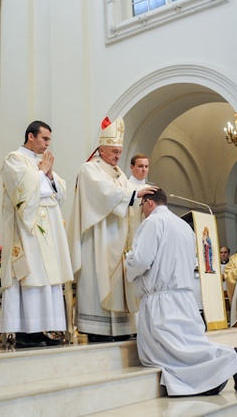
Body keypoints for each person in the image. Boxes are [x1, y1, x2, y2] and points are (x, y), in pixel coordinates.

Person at [125, 188, 237, 396]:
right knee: (188, 344)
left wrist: (127, 261)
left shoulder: (152, 223)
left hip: (161, 298)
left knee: (167, 352)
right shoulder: (184, 226)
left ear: (148, 203)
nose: (142, 211)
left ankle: (225, 360)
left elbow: (142, 260)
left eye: (142, 207)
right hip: (183, 295)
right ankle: (219, 369)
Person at [68, 116, 156, 342]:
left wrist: (142, 198)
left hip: (118, 240)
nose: (118, 155)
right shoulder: (90, 170)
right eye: (114, 151)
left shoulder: (118, 174)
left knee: (119, 283)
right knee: (99, 282)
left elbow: (130, 200)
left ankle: (121, 327)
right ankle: (97, 330)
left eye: (119, 151)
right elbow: (104, 195)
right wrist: (135, 194)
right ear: (101, 149)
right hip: (99, 240)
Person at [0, 121, 74, 348]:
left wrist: (50, 176)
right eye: (45, 139)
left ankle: (43, 328)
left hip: (47, 230)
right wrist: (41, 173)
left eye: (49, 140)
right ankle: (26, 332)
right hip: (27, 231)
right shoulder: (14, 159)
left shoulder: (39, 163)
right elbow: (23, 191)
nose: (48, 144)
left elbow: (58, 193)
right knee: (32, 277)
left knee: (47, 278)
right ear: (31, 136)